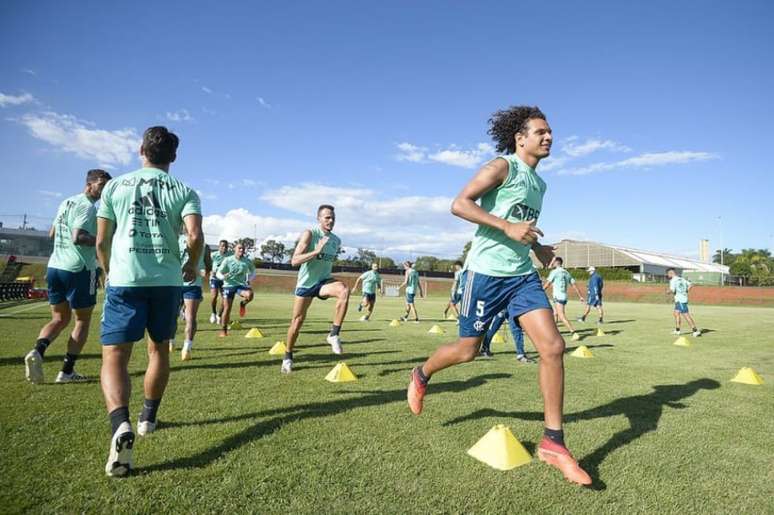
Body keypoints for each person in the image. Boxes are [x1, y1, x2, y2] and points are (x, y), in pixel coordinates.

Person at [406, 106, 591, 485]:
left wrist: (537, 249)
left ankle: (553, 443)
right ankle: (422, 373)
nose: (549, 137)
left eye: (551, 132)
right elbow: (460, 204)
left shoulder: (540, 185)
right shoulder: (501, 167)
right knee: (467, 350)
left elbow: (522, 227)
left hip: (522, 276)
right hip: (485, 274)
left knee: (553, 347)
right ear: (520, 138)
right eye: (541, 131)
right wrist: (506, 226)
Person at [96, 126, 202, 477]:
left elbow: (101, 241)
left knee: (115, 356)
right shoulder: (185, 191)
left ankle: (120, 424)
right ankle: (148, 417)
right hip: (167, 282)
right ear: (173, 157)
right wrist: (190, 263)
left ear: (141, 149)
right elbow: (195, 236)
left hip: (125, 279)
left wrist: (108, 270)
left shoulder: (114, 186)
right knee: (159, 351)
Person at [24, 169, 111, 384]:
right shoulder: (88, 207)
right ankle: (67, 371)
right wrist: (103, 239)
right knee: (82, 320)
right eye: (102, 185)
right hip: (78, 269)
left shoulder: (66, 202)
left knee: (59, 318)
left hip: (55, 267)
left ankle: (38, 350)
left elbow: (52, 233)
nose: (104, 190)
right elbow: (78, 237)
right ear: (90, 184)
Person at [282, 205, 348, 374]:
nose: (331, 220)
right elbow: (294, 261)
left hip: (323, 282)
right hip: (306, 285)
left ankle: (334, 334)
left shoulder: (336, 240)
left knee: (344, 290)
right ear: (318, 219)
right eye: (327, 217)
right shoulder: (310, 234)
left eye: (333, 217)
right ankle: (288, 356)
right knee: (297, 323)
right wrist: (316, 250)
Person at [173, 228, 212, 360]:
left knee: (178, 315)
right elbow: (208, 267)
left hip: (179, 283)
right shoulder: (203, 244)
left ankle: (178, 344)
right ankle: (186, 347)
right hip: (185, 283)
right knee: (188, 317)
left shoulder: (174, 240)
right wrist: (201, 272)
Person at [216, 243, 255, 337]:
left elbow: (253, 271)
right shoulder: (228, 260)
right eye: (239, 248)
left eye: (243, 248)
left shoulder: (247, 261)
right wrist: (222, 277)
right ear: (235, 249)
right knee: (227, 308)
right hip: (228, 286)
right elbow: (218, 273)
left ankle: (243, 304)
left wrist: (249, 279)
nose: (242, 250)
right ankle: (223, 330)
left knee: (250, 295)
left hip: (240, 285)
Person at [543, 257, 584, 339]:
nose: (552, 263)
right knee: (555, 313)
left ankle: (573, 333)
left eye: (553, 262)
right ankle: (554, 332)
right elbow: (574, 285)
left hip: (558, 297)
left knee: (561, 316)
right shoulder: (566, 272)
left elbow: (547, 284)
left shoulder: (554, 272)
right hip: (563, 296)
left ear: (556, 263)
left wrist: (539, 291)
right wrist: (580, 296)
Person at [667, 268, 701, 336]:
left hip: (680, 300)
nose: (667, 275)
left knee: (686, 315)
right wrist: (686, 291)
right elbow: (691, 285)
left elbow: (672, 290)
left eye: (668, 274)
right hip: (681, 299)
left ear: (671, 273)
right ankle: (677, 330)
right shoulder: (682, 279)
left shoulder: (673, 280)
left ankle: (695, 331)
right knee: (676, 313)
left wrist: (668, 291)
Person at [208, 239, 232, 324]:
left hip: (224, 280)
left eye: (226, 246)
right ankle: (213, 313)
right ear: (219, 247)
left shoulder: (230, 255)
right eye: (222, 246)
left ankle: (219, 315)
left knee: (224, 299)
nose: (224, 248)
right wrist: (210, 271)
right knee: (214, 296)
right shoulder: (213, 255)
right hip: (214, 278)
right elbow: (206, 263)